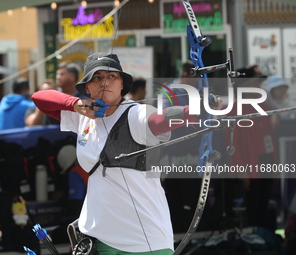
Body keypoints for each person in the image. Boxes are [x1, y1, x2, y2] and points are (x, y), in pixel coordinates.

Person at [32, 52, 222, 254]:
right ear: (87, 87)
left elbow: (159, 120)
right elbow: (40, 99)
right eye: (97, 78)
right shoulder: (84, 116)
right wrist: (76, 105)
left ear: (122, 83)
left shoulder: (136, 114)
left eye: (111, 76)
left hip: (145, 240)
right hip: (100, 236)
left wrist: (190, 110)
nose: (104, 82)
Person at [226, 67, 278, 232]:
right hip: (250, 167)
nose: (259, 86)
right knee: (253, 212)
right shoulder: (234, 110)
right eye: (256, 82)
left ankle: (264, 242)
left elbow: (270, 137)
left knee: (263, 208)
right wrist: (242, 171)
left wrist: (274, 165)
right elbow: (231, 145)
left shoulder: (264, 106)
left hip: (266, 162)